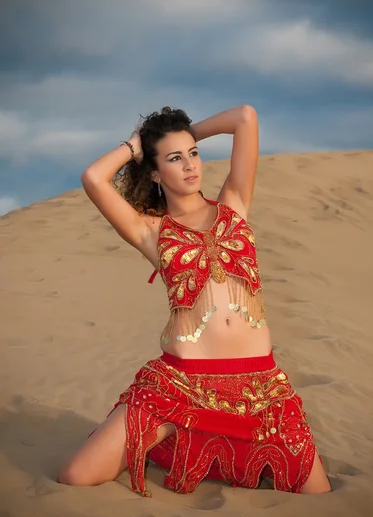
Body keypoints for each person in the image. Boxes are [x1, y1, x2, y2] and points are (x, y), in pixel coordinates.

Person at [58, 105, 331, 496]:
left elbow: (245, 118)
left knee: (317, 495)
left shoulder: (233, 205)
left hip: (261, 391)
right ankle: (170, 438)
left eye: (193, 154)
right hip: (180, 388)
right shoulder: (150, 231)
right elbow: (93, 177)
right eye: (174, 159)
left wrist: (185, 134)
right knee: (77, 474)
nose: (189, 165)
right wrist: (137, 146)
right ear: (154, 172)